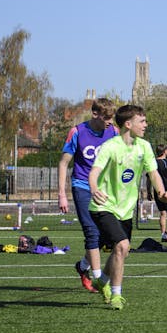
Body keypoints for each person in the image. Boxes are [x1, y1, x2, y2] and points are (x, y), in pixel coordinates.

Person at [86, 104, 167, 310]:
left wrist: (161, 192)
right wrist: (93, 188)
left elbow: (154, 174)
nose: (146, 124)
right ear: (128, 124)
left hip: (125, 210)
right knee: (123, 246)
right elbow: (94, 172)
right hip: (103, 206)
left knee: (121, 251)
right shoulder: (110, 146)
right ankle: (116, 295)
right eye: (141, 121)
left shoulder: (144, 147)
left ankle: (101, 281)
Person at [56, 97, 118, 292]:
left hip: (104, 189)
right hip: (82, 186)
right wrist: (62, 194)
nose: (110, 121)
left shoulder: (114, 132)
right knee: (91, 231)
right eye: (106, 117)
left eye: (112, 117)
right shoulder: (77, 132)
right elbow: (64, 163)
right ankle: (101, 282)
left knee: (106, 236)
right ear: (95, 114)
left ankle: (83, 266)